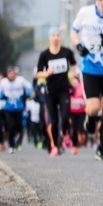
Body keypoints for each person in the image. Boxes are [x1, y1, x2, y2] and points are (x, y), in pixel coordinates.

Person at [71, 0, 103, 161]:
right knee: (93, 108)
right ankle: (89, 120)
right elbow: (74, 31)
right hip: (89, 67)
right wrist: (78, 45)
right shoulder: (85, 12)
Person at [36, 27, 79, 156]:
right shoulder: (44, 55)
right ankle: (54, 145)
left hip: (64, 90)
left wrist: (74, 76)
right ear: (49, 38)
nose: (55, 38)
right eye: (53, 35)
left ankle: (65, 133)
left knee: (66, 116)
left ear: (61, 38)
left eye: (57, 35)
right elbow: (38, 73)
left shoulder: (67, 52)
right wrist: (46, 73)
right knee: (53, 121)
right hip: (50, 92)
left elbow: (74, 65)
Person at [0, 66, 33, 154]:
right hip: (9, 107)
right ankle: (11, 145)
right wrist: (2, 97)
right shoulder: (3, 82)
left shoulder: (20, 80)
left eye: (13, 74)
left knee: (18, 126)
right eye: (10, 74)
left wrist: (27, 94)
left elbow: (29, 86)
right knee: (11, 126)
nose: (12, 75)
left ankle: (17, 140)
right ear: (7, 74)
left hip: (19, 106)